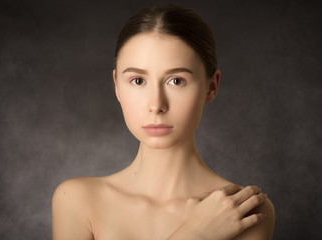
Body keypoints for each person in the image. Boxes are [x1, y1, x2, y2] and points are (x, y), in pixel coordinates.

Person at [52, 3, 275, 240]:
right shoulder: (77, 200)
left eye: (176, 81)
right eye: (138, 81)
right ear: (117, 85)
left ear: (212, 87)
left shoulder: (241, 210)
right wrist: (195, 234)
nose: (156, 105)